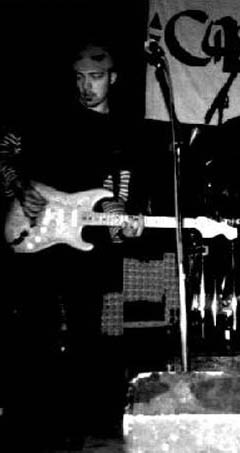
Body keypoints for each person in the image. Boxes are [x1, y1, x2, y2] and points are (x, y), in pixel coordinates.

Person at [0, 40, 143, 451]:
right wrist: (20, 188)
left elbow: (123, 192)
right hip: (38, 238)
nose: (86, 87)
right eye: (79, 78)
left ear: (113, 78)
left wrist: (125, 214)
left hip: (89, 247)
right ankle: (29, 427)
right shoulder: (49, 119)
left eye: (95, 78)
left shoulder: (127, 132)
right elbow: (6, 150)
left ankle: (76, 430)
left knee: (86, 335)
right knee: (34, 332)